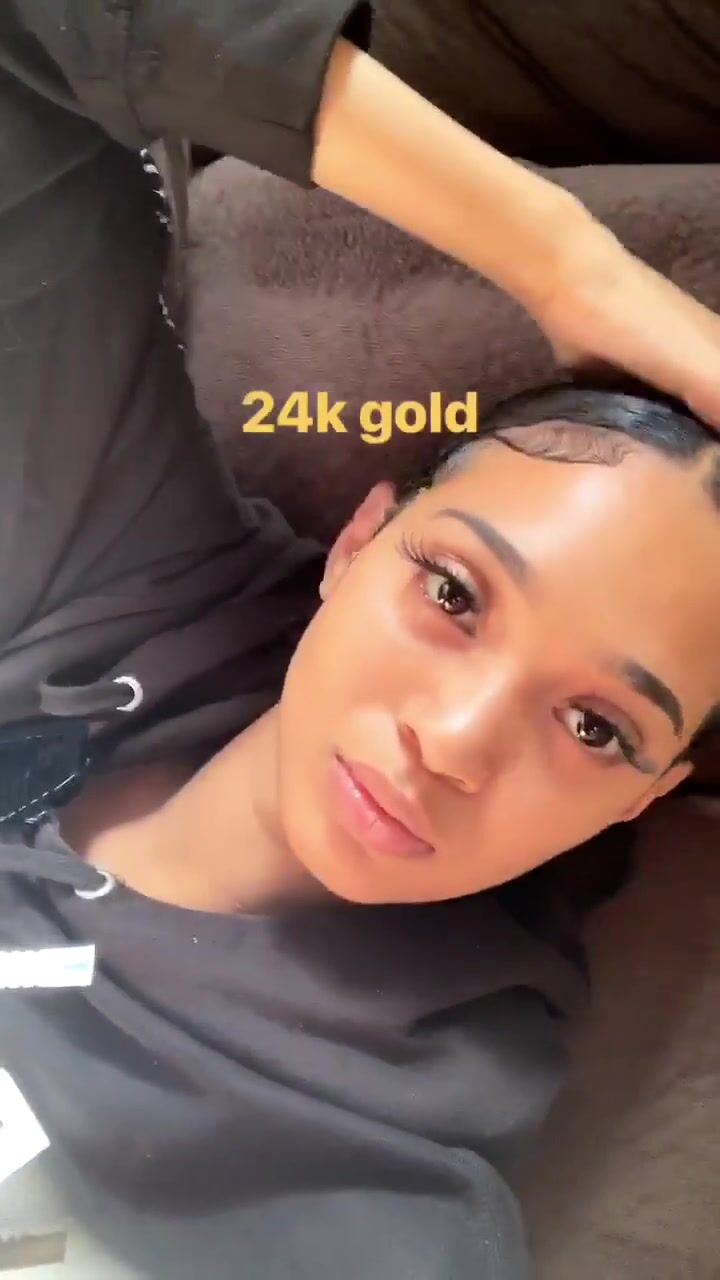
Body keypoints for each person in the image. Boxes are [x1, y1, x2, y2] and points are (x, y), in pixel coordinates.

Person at [0, 3, 719, 1277]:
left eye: (597, 725)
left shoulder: (365, 1152)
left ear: (645, 797)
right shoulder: (121, 551)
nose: (451, 741)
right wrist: (567, 262)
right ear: (359, 540)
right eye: (455, 592)